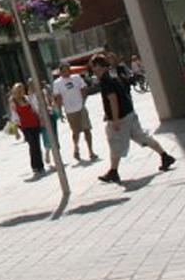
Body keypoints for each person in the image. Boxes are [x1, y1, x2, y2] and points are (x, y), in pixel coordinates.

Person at [90, 54, 175, 184]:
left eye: (94, 67)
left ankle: (113, 172)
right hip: (129, 113)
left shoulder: (105, 80)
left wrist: (115, 119)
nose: (93, 70)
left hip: (121, 118)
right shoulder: (112, 76)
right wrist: (109, 114)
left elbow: (113, 100)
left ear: (99, 67)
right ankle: (165, 156)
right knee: (141, 136)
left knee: (114, 142)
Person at [52, 63, 97, 161]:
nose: (66, 72)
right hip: (70, 110)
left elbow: (84, 88)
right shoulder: (57, 83)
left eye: (67, 70)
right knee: (76, 132)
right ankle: (76, 148)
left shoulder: (76, 78)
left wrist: (83, 101)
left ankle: (91, 151)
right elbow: (57, 98)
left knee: (87, 129)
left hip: (81, 107)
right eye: (63, 70)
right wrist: (60, 111)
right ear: (60, 72)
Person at [9, 83, 44, 176]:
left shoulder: (27, 98)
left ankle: (40, 165)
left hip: (34, 123)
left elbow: (35, 109)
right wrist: (16, 131)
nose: (20, 91)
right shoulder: (13, 102)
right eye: (18, 90)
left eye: (21, 89)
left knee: (37, 145)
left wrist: (40, 119)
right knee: (32, 145)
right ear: (14, 91)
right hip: (25, 126)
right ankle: (35, 166)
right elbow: (14, 117)